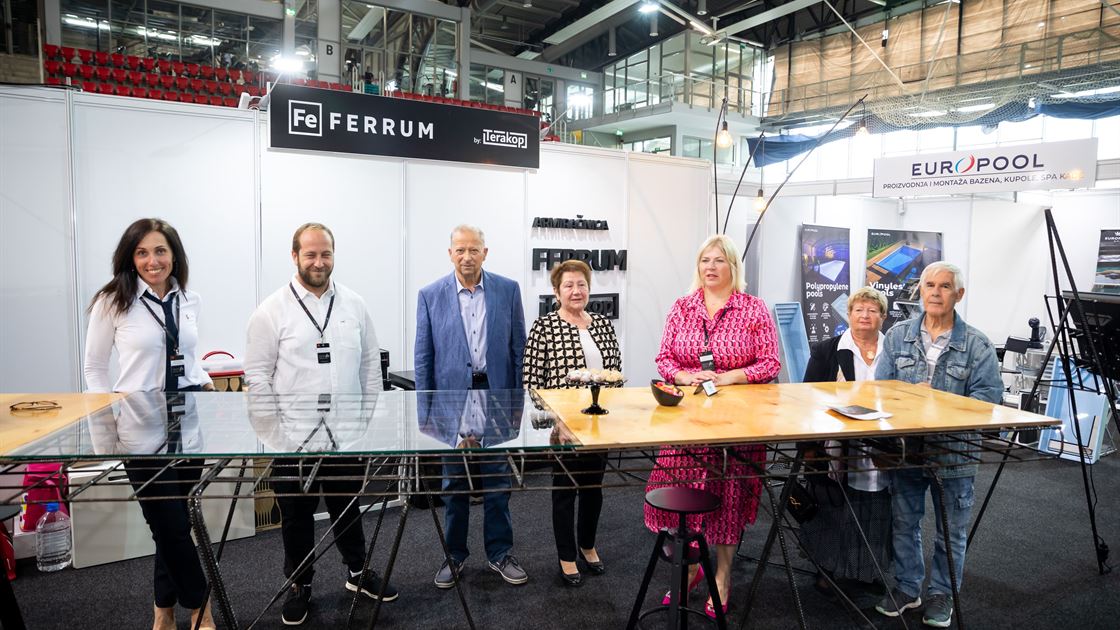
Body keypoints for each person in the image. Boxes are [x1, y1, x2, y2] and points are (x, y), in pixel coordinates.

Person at [244, 222, 396, 626]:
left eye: (325, 253)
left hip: (345, 435)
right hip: (293, 438)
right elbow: (257, 376)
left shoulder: (354, 304)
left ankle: (357, 572)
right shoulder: (271, 310)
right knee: (296, 516)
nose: (318, 261)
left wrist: (366, 421)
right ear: (294, 256)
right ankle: (299, 584)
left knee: (348, 506)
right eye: (310, 254)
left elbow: (370, 366)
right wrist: (272, 434)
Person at [83, 218, 216, 630]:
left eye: (160, 251)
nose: (152, 260)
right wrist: (105, 433)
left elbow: (188, 358)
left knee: (173, 526)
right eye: (142, 252)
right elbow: (94, 369)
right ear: (130, 257)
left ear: (174, 255)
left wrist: (206, 386)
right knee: (171, 527)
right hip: (140, 432)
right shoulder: (112, 301)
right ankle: (201, 609)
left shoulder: (189, 299)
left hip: (188, 431)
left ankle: (163, 611)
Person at [645, 234, 780, 618]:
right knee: (682, 496)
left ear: (732, 266)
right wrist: (685, 376)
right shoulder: (682, 307)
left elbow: (770, 362)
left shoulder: (753, 308)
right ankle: (690, 569)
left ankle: (722, 575)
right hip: (687, 419)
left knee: (728, 500)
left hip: (737, 420)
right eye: (705, 260)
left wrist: (731, 377)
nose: (711, 267)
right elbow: (664, 358)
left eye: (719, 260)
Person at [873, 262, 1002, 628]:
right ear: (921, 290)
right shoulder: (898, 336)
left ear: (958, 294)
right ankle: (908, 587)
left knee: (951, 532)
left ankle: (942, 593)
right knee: (904, 522)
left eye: (944, 286)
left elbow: (989, 402)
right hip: (907, 449)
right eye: (929, 285)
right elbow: (880, 391)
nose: (935, 292)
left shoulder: (977, 344)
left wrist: (938, 401)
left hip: (954, 454)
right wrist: (908, 397)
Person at [415, 224, 528, 588]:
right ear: (450, 253)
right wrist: (426, 414)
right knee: (454, 488)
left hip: (496, 400)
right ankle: (454, 555)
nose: (467, 256)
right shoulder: (430, 295)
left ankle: (500, 553)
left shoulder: (508, 290)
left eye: (474, 249)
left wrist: (517, 403)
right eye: (460, 250)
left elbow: (518, 349)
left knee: (498, 484)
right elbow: (424, 358)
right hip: (452, 404)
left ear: (485, 253)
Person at [522, 260, 621, 587]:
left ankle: (587, 545)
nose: (576, 291)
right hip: (562, 426)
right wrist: (555, 418)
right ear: (556, 292)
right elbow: (531, 382)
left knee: (593, 489)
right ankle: (566, 556)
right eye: (569, 285)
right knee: (565, 491)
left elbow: (614, 374)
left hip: (598, 424)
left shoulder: (603, 324)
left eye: (581, 284)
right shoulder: (544, 327)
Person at [800, 286, 893, 598]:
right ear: (849, 314)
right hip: (835, 447)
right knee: (832, 508)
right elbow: (806, 399)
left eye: (872, 310)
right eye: (858, 310)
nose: (865, 315)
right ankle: (827, 570)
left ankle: (868, 572)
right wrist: (809, 449)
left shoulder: (894, 351)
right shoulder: (827, 350)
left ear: (883, 316)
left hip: (881, 444)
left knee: (876, 510)